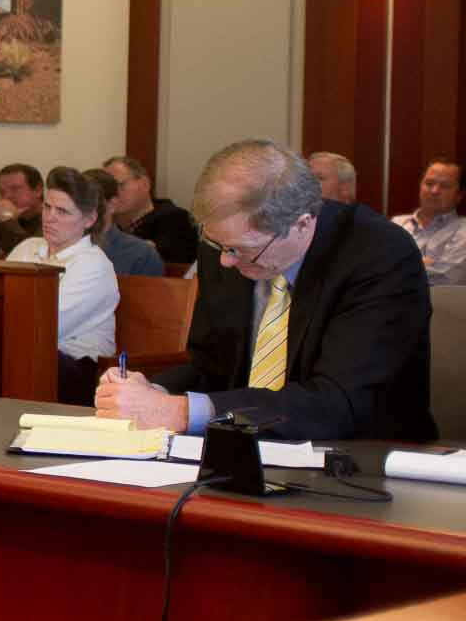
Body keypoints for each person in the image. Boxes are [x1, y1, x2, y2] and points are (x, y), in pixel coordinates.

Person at [96, 140, 435, 442]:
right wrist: (152, 392)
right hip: (239, 451)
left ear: (302, 223)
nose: (227, 262)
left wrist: (182, 412)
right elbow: (212, 365)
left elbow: (339, 402)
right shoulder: (226, 248)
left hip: (362, 458)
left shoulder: (378, 254)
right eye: (218, 245)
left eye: (241, 249)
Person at [7, 167, 118, 405]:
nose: (50, 217)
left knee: (21, 352)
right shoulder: (27, 248)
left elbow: (46, 324)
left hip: (78, 367)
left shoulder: (94, 263)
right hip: (28, 353)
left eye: (63, 211)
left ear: (89, 219)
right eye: (47, 207)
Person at [103, 154, 198, 264]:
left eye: (119, 185)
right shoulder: (102, 224)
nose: (112, 193)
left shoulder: (175, 219)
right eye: (107, 188)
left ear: (145, 184)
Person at [391, 158, 466, 286]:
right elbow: (373, 266)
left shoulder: (463, 231)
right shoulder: (396, 224)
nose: (434, 191)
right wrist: (425, 263)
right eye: (429, 183)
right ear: (420, 186)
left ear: (459, 195)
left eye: (445, 186)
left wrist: (396, 264)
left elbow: (448, 278)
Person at [82, 167, 163, 276]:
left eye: (91, 202)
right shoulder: (63, 246)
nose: (82, 209)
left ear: (112, 205)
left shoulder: (141, 254)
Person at [0, 163, 43, 259]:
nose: (6, 197)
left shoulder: (52, 223)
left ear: (38, 190)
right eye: (2, 192)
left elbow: (30, 254)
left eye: (15, 189)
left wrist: (8, 220)